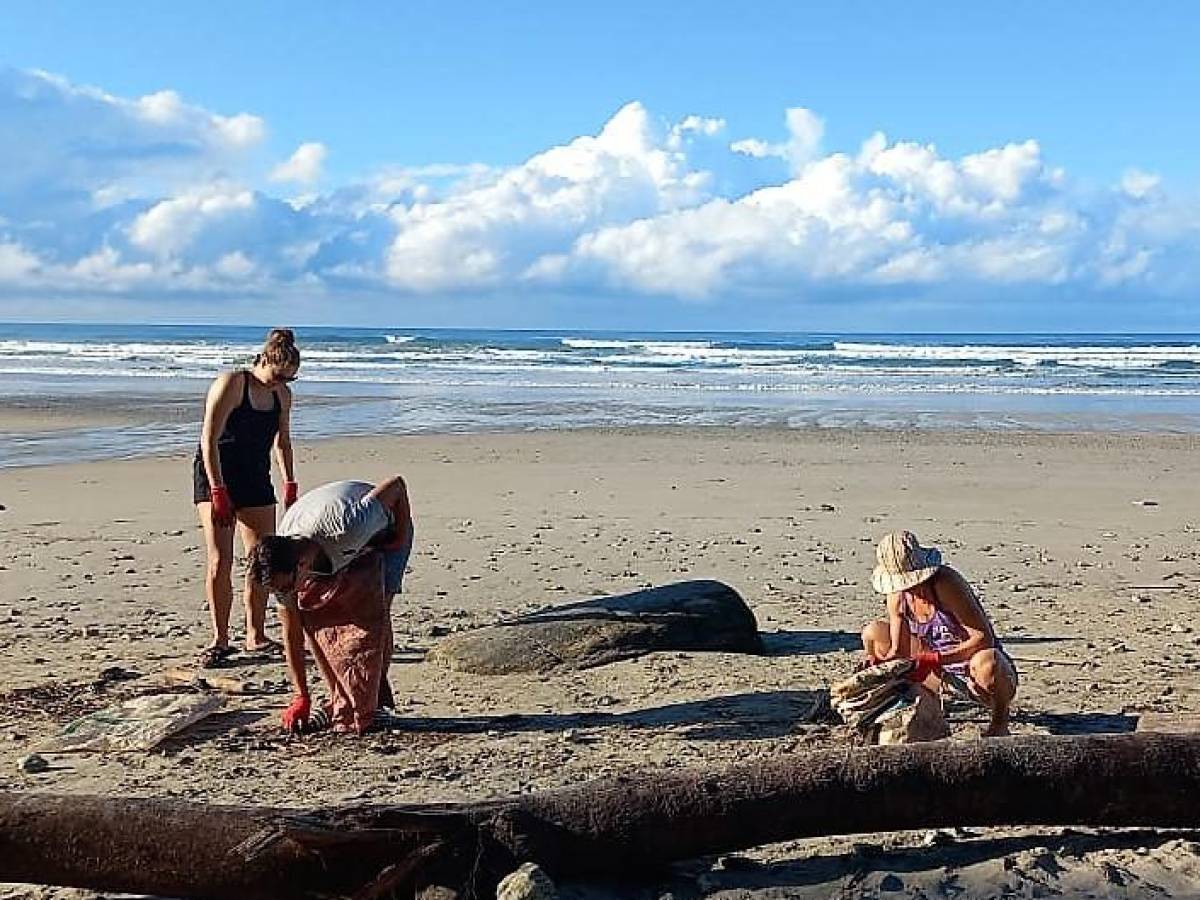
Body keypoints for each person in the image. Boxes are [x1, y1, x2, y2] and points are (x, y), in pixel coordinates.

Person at [247, 476, 413, 733]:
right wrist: (301, 696)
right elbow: (293, 633)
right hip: (330, 542)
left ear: (302, 566)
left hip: (385, 529)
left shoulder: (349, 525)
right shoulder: (281, 569)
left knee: (376, 616)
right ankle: (340, 699)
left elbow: (397, 485)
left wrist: (400, 535)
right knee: (313, 619)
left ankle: (373, 703)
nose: (285, 593)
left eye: (288, 587)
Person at [193, 328, 300, 668]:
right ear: (264, 361)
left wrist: (290, 482)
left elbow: (282, 442)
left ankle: (255, 634)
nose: (281, 383)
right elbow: (208, 440)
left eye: (289, 379)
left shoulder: (282, 396)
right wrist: (218, 491)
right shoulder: (232, 384)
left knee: (261, 559)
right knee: (220, 559)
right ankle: (220, 639)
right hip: (217, 474)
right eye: (278, 375)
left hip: (255, 477)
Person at [860, 530, 1018, 737]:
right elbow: (899, 650)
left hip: (973, 670)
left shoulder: (946, 583)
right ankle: (917, 700)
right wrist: (881, 663)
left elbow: (983, 638)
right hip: (936, 674)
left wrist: (936, 659)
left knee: (989, 663)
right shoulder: (897, 596)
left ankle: (999, 721)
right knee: (873, 633)